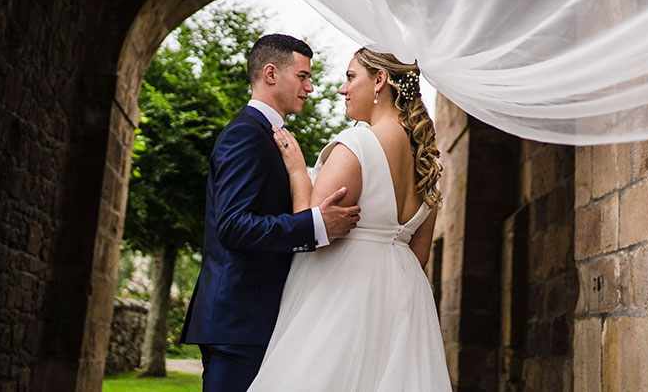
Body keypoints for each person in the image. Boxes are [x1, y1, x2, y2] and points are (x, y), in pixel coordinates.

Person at [247, 48, 452, 391]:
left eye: (350, 76)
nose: (342, 89)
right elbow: (420, 255)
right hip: (406, 299)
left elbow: (308, 228)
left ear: (380, 80)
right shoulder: (425, 161)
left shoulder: (355, 145)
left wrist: (298, 171)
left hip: (341, 297)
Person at [179, 34, 361, 392]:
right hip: (239, 321)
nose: (311, 87)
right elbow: (232, 227)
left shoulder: (270, 135)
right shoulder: (245, 135)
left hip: (254, 318)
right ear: (271, 74)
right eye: (303, 76)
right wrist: (314, 224)